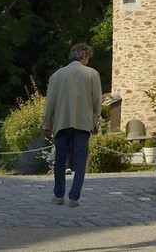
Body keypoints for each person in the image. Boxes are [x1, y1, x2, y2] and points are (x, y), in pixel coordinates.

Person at [42, 42, 102, 206]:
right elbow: (97, 100)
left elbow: (50, 103)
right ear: (84, 57)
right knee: (80, 160)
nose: (88, 61)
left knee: (60, 159)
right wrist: (96, 120)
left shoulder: (57, 75)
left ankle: (59, 194)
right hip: (82, 124)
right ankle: (74, 197)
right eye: (87, 58)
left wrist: (47, 122)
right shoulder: (92, 74)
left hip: (62, 122)